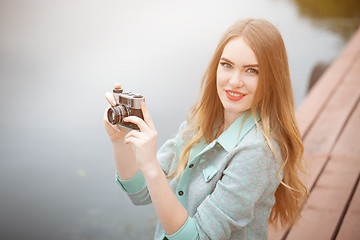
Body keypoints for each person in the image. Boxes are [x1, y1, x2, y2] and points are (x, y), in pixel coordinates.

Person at [103, 18, 307, 240]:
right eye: (227, 65)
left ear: (272, 78)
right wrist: (119, 141)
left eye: (251, 71)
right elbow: (139, 193)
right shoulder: (201, 121)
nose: (234, 81)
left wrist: (151, 164)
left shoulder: (259, 151)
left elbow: (198, 237)